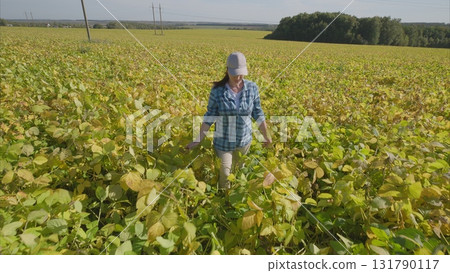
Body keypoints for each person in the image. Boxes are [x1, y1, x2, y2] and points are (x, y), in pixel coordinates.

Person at [185, 52, 272, 190]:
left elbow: (258, 113)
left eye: (241, 74)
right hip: (223, 141)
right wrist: (198, 139)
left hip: (244, 141)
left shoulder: (252, 88)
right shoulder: (218, 90)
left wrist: (266, 136)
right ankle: (225, 197)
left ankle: (234, 201)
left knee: (238, 172)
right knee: (225, 173)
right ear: (227, 70)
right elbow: (210, 116)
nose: (238, 77)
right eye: (235, 74)